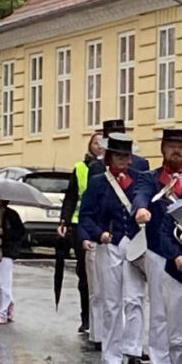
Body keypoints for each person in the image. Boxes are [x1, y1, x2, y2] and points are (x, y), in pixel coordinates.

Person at [78, 134, 148, 364]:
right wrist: (99, 234)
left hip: (135, 245)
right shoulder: (98, 182)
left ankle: (134, 352)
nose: (123, 160)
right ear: (109, 157)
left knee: (136, 299)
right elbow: (85, 215)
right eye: (118, 155)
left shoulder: (140, 180)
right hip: (110, 245)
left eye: (126, 156)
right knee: (111, 302)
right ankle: (111, 356)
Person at [133, 129, 182, 364]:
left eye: (181, 146)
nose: (176, 151)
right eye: (171, 146)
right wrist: (141, 209)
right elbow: (140, 195)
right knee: (160, 314)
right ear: (163, 149)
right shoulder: (151, 179)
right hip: (159, 252)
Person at [59, 131, 103, 336]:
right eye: (96, 143)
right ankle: (86, 317)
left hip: (103, 226)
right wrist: (64, 221)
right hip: (80, 225)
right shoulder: (80, 168)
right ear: (90, 146)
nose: (99, 146)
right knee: (85, 274)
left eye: (102, 143)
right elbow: (71, 197)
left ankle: (101, 318)